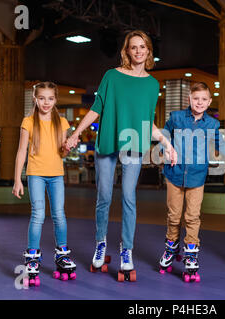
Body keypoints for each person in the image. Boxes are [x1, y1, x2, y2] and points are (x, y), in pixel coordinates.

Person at [65, 30, 176, 282]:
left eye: (142, 47)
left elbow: (148, 123)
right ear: (126, 51)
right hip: (107, 141)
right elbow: (96, 109)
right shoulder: (111, 76)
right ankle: (100, 243)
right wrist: (75, 134)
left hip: (134, 144)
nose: (138, 51)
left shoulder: (151, 84)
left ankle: (127, 251)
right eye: (133, 47)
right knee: (103, 196)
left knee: (128, 197)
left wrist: (167, 143)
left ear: (149, 51)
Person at [158, 82, 225, 282]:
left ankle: (190, 255)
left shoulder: (212, 124)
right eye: (196, 98)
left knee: (192, 217)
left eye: (204, 99)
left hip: (197, 177)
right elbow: (164, 136)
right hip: (174, 174)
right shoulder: (176, 117)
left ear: (210, 101)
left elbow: (222, 145)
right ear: (189, 98)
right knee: (173, 215)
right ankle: (171, 248)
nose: (200, 102)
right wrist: (165, 150)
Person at [12, 81, 76, 287]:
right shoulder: (28, 122)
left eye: (50, 98)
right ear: (35, 99)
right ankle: (32, 257)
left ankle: (62, 255)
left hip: (56, 175)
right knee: (38, 214)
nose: (46, 102)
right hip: (36, 175)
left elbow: (62, 153)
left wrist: (67, 148)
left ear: (56, 99)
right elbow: (21, 151)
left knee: (59, 214)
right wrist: (17, 180)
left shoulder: (62, 122)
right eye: (42, 98)